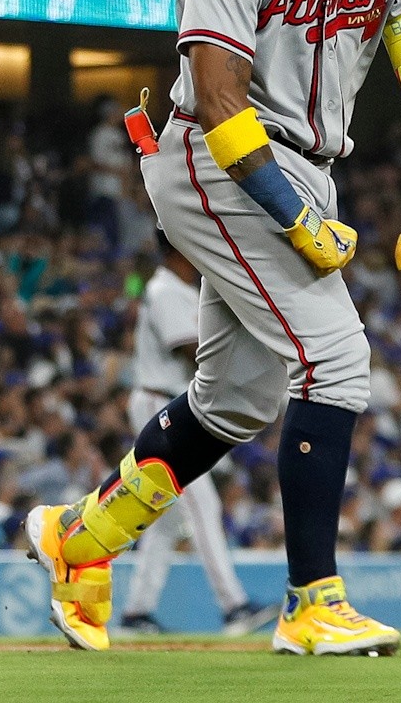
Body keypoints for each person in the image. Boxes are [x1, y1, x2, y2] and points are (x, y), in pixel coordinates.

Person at [25, 0, 401, 656]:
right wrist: (293, 214)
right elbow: (220, 91)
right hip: (212, 154)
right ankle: (312, 601)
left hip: (308, 163)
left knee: (235, 399)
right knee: (337, 356)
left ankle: (81, 540)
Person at [116, 236, 276, 637]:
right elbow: (191, 349)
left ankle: (137, 612)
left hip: (170, 402)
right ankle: (234, 606)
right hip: (158, 402)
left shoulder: (181, 289)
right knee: (202, 503)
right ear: (175, 249)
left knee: (168, 520)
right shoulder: (163, 287)